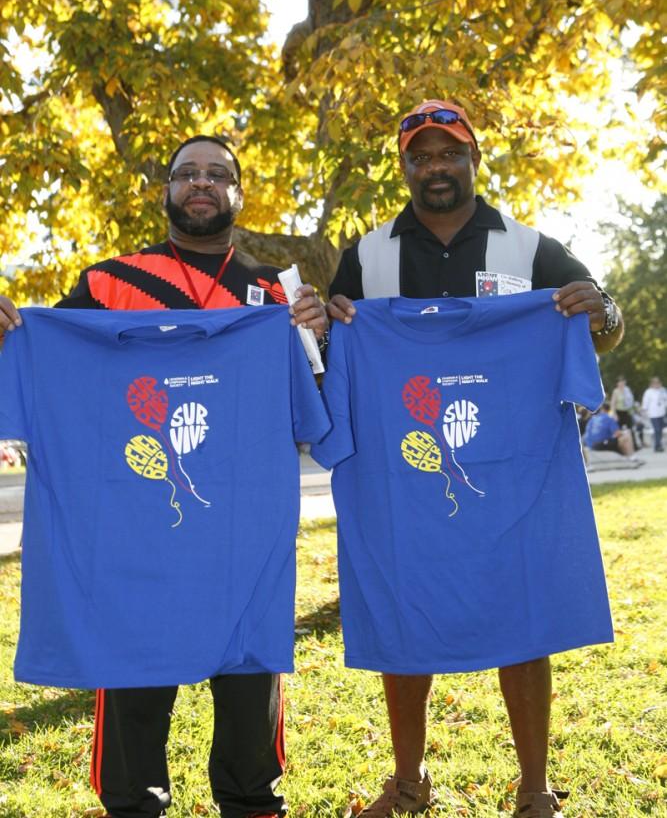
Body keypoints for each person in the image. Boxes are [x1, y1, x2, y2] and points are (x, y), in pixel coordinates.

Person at [0, 134, 329, 818]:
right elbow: (50, 369)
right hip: (128, 534)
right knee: (132, 690)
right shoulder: (108, 281)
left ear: (239, 194)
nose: (201, 184)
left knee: (246, 696)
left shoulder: (275, 292)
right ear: (167, 191)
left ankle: (250, 803)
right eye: (187, 174)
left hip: (242, 535)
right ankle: (133, 804)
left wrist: (318, 333)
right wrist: (10, 332)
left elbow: (315, 401)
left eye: (217, 174)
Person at [326, 99, 623, 818]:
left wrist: (601, 309)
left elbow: (602, 329)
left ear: (472, 160)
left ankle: (533, 788)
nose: (435, 167)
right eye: (421, 156)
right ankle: (408, 783)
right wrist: (329, 324)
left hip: (515, 472)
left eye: (448, 153)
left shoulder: (528, 249)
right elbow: (334, 354)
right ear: (403, 167)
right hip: (401, 478)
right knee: (404, 615)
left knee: (520, 612)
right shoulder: (366, 256)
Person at [641, 376, 667, 453]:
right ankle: (657, 446)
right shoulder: (648, 392)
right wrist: (644, 410)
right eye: (654, 383)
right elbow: (645, 402)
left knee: (660, 430)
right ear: (652, 384)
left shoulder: (663, 390)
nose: (656, 384)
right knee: (657, 429)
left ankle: (658, 444)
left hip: (661, 413)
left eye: (658, 383)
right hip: (653, 414)